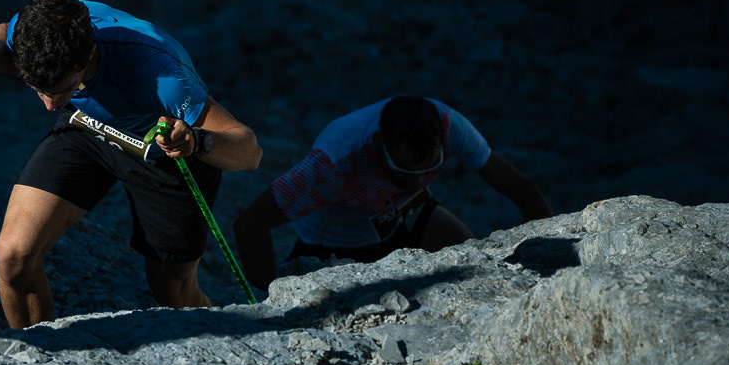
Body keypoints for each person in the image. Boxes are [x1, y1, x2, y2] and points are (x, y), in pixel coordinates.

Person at [0, 0, 262, 329]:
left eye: (62, 89)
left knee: (173, 294)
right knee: (13, 257)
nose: (49, 106)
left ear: (90, 54)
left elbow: (250, 152)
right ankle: (33, 349)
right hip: (88, 128)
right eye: (38, 89)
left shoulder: (161, 76)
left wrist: (196, 141)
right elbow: (4, 43)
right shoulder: (36, 32)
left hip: (168, 153)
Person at [233, 95, 552, 289]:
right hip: (334, 243)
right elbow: (250, 224)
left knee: (476, 269)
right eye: (403, 171)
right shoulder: (332, 164)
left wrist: (550, 256)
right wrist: (268, 294)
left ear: (442, 142)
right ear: (377, 145)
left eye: (428, 169)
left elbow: (521, 189)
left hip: (405, 212)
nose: (416, 182)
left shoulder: (449, 124)